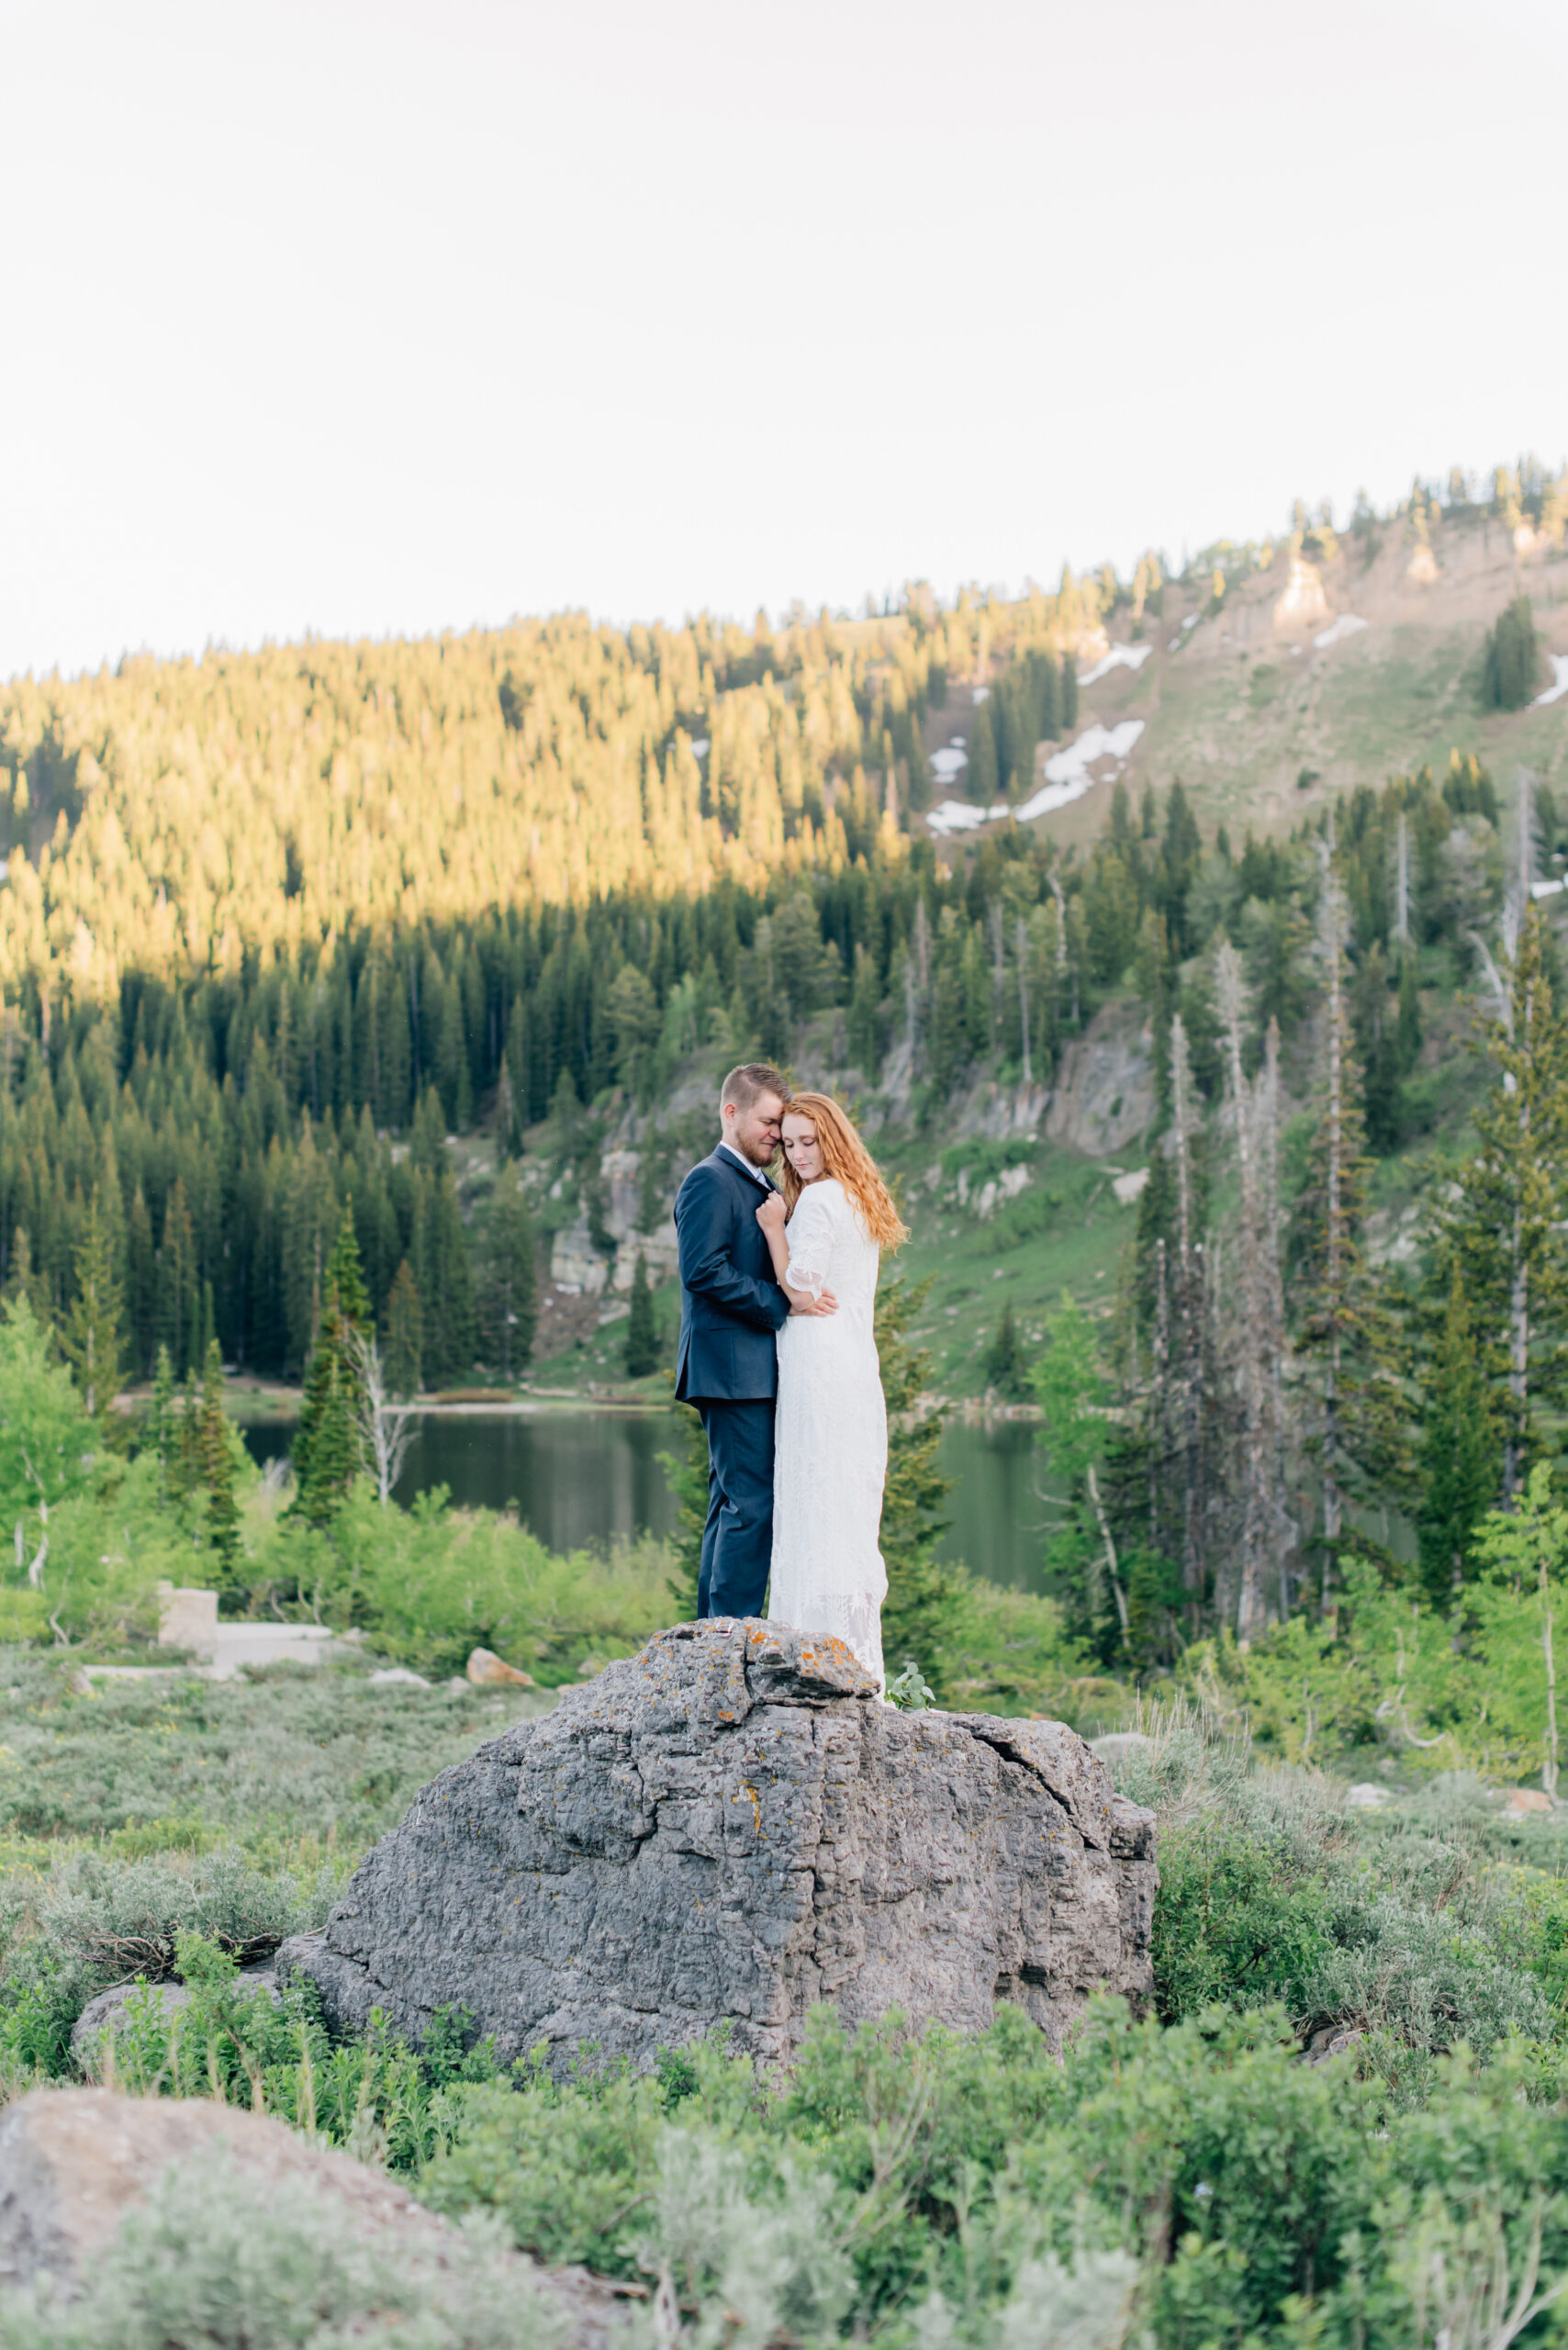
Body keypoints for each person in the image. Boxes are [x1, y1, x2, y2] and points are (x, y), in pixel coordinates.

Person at [754, 1091, 908, 1691]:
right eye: (788, 1144)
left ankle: (809, 1655)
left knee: (815, 1494)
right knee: (844, 1500)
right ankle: (854, 1656)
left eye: (807, 1141)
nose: (797, 1153)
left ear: (832, 1138)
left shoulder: (817, 1200)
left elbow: (798, 1287)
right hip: (853, 1362)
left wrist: (773, 1228)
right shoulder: (858, 1196)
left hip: (818, 1362)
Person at [673, 1063, 837, 1619]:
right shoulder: (709, 1180)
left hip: (747, 1370)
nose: (776, 1135)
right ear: (731, 1112)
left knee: (732, 1503)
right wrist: (780, 1304)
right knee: (752, 1505)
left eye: (782, 1126)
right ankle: (733, 1635)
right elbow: (702, 1271)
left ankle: (712, 1633)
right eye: (768, 1123)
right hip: (730, 1369)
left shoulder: (757, 1183)